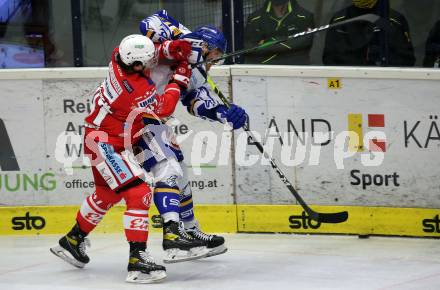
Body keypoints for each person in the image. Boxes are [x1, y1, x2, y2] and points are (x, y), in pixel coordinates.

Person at [50, 34, 193, 283]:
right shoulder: (135, 90)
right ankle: (137, 260)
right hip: (106, 145)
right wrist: (179, 78)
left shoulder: (118, 57)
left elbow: (144, 51)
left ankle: (72, 240)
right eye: (147, 62)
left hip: (104, 139)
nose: (151, 63)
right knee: (139, 194)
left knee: (107, 194)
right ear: (136, 65)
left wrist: (170, 49)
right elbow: (164, 108)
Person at [137, 10, 247, 259]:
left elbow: (197, 103)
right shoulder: (183, 42)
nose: (214, 63)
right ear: (206, 47)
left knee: (179, 175)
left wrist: (224, 114)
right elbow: (149, 22)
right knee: (169, 172)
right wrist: (183, 42)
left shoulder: (197, 73)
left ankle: (189, 230)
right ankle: (174, 240)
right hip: (133, 115)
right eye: (215, 56)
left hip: (153, 120)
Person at [323, 0, 415, 66]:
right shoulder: (339, 19)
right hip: (346, 81)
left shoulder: (394, 20)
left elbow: (406, 60)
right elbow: (328, 58)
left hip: (384, 82)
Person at [243, 0, 314, 65]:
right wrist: (289, 42)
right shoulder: (254, 18)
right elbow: (249, 48)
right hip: (264, 69)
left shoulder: (304, 16)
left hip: (296, 69)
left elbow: (303, 45)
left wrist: (269, 41)